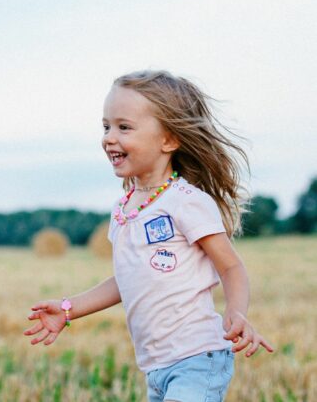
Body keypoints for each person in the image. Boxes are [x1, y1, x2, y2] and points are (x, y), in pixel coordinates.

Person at [23, 70, 274, 401]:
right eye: (106, 126)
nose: (110, 137)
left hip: (197, 359)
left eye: (124, 127)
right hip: (155, 367)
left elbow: (231, 267)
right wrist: (69, 308)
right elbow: (126, 278)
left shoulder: (187, 202)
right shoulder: (124, 208)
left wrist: (237, 311)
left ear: (168, 140)